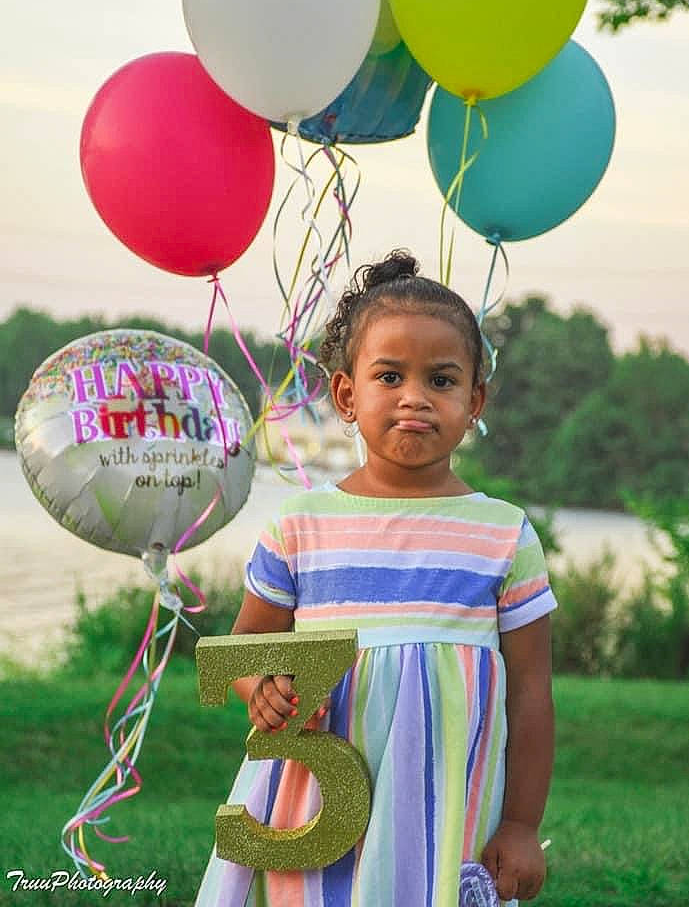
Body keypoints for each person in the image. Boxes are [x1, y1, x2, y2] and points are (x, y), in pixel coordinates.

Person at [195, 250, 556, 907]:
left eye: (442, 381)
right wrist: (265, 690)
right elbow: (244, 653)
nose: (414, 397)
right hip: (322, 804)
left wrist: (522, 825)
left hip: (448, 807)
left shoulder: (504, 535)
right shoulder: (299, 526)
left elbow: (531, 692)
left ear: (474, 400)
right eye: (389, 376)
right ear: (346, 395)